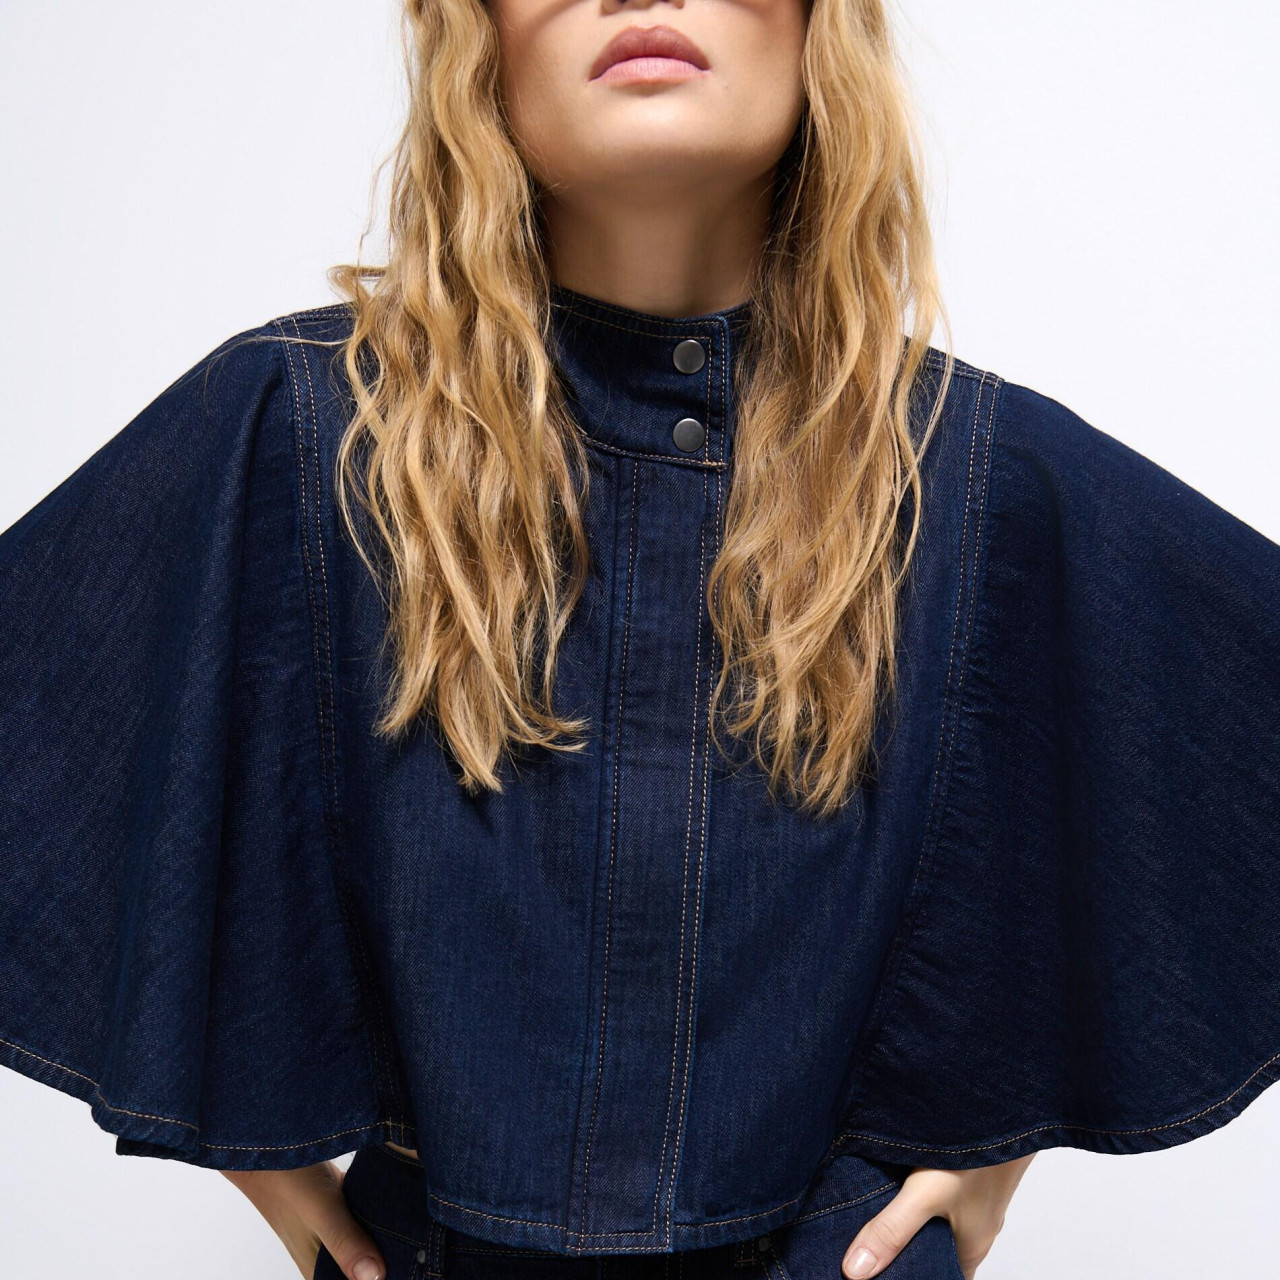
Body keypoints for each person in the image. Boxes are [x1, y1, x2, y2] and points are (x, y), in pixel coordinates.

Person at [1, 1, 1278, 1278]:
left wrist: (998, 1129)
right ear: (476, 37)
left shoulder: (977, 476)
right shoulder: (303, 432)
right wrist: (253, 1143)